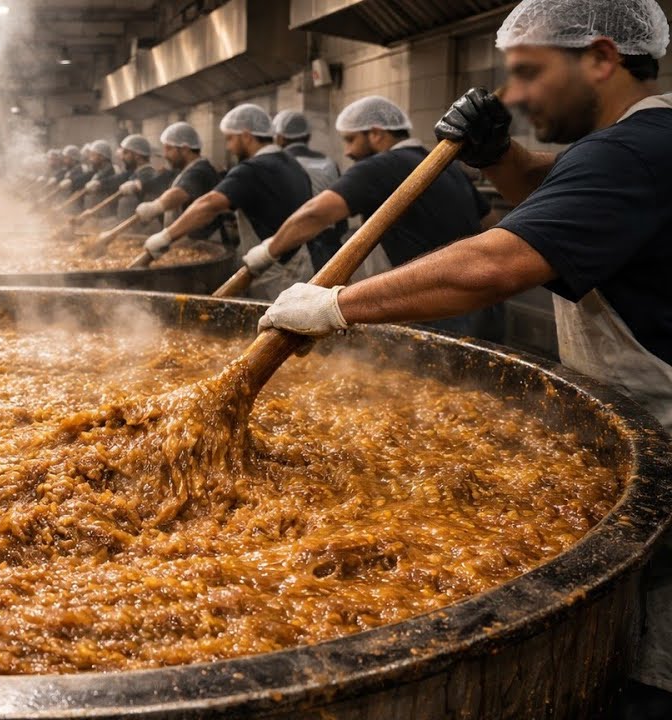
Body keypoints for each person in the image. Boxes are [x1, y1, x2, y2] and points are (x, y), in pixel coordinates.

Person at [261, 0, 671, 703]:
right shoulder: (637, 144)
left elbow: (496, 264)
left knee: (649, 653)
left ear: (602, 58)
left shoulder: (633, 149)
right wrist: (500, 155)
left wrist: (333, 306)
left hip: (664, 426)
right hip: (645, 423)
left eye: (528, 73)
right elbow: (549, 189)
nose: (512, 94)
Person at [250, 95, 503, 340]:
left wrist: (266, 253)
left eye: (350, 139)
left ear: (376, 133)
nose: (347, 151)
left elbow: (314, 214)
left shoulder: (381, 165)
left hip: (437, 309)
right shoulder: (443, 166)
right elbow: (490, 221)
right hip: (484, 303)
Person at [145, 105, 314, 299]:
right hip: (300, 262)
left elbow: (208, 205)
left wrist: (166, 236)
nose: (228, 147)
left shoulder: (252, 169)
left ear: (246, 136)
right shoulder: (293, 164)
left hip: (273, 272)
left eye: (230, 139)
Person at [272, 109, 347, 271]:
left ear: (280, 137)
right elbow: (342, 217)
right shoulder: (329, 163)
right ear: (308, 136)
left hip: (293, 245)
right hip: (330, 244)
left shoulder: (275, 164)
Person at [132, 122, 221, 240]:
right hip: (189, 241)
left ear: (184, 149)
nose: (165, 155)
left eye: (169, 149)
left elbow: (180, 193)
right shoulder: (186, 169)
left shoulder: (200, 170)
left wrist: (156, 206)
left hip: (204, 243)